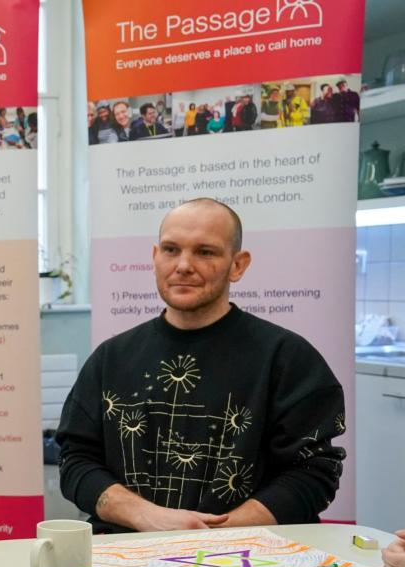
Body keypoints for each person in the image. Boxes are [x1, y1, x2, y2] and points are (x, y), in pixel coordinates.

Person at [56, 198, 345, 533]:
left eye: (205, 252)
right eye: (170, 250)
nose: (183, 265)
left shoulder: (288, 359)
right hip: (125, 555)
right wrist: (145, 515)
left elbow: (313, 471)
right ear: (154, 257)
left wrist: (214, 532)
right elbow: (75, 460)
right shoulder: (111, 359)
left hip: (247, 559)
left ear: (238, 265)